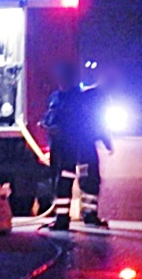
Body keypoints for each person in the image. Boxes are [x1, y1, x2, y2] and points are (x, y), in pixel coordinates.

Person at [41, 62, 113, 230]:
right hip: (65, 150)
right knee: (63, 182)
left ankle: (86, 215)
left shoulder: (81, 99)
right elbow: (50, 119)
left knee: (88, 181)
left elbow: (94, 122)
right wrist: (47, 126)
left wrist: (105, 141)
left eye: (64, 78)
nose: (61, 81)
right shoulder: (56, 98)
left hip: (79, 149)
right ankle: (64, 218)